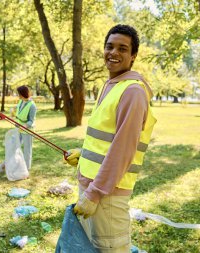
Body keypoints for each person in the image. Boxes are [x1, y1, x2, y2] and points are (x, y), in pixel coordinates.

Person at [64, 24, 157, 252]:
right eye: (110, 46)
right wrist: (84, 154)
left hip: (107, 196)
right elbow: (106, 138)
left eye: (122, 49)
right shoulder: (110, 85)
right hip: (91, 188)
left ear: (133, 56)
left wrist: (94, 194)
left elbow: (123, 149)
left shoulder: (132, 91)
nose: (114, 53)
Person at [11, 85, 37, 170]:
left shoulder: (32, 106)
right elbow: (19, 113)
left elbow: (31, 121)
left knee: (27, 151)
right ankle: (8, 165)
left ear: (23, 94)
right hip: (18, 129)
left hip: (27, 131)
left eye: (19, 94)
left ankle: (26, 169)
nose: (18, 95)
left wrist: (24, 126)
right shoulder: (21, 101)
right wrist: (14, 112)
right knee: (14, 146)